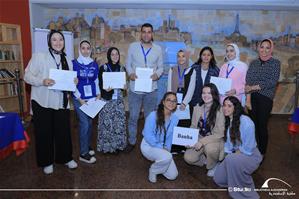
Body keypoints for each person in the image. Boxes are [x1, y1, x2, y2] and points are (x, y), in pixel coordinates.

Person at [24, 30, 77, 174]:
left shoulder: (67, 60)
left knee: (63, 131)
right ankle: (46, 162)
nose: (58, 42)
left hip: (60, 102)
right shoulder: (39, 57)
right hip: (42, 101)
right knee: (44, 132)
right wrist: (42, 81)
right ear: (49, 42)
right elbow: (27, 76)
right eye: (54, 39)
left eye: (61, 39)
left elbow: (70, 82)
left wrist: (74, 82)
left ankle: (65, 158)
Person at [213, 96, 263, 199]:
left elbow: (248, 149)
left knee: (231, 159)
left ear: (236, 108)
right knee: (218, 179)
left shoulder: (247, 122)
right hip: (236, 154)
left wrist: (230, 158)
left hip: (251, 155)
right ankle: (234, 178)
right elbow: (228, 146)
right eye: (224, 105)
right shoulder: (229, 120)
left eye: (229, 106)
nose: (225, 108)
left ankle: (245, 194)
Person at [125, 23, 163, 152]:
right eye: (144, 31)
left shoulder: (158, 49)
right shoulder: (133, 47)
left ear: (152, 34)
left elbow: (161, 67)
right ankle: (131, 141)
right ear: (141, 33)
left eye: (149, 32)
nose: (146, 34)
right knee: (133, 117)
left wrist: (156, 75)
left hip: (151, 89)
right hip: (135, 88)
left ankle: (147, 141)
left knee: (150, 117)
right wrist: (130, 73)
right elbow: (128, 64)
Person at [245, 39, 280, 155]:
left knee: (261, 125)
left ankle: (262, 152)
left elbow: (272, 82)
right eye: (262, 47)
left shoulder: (275, 63)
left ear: (271, 49)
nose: (264, 50)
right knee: (253, 125)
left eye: (267, 47)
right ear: (258, 48)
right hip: (252, 98)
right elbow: (248, 81)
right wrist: (248, 99)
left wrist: (253, 87)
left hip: (265, 98)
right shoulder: (253, 63)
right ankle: (253, 149)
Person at [184, 83, 225, 177]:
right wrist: (188, 139)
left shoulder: (220, 110)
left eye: (209, 93)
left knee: (210, 149)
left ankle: (213, 165)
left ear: (214, 95)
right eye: (204, 93)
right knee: (188, 158)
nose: (206, 95)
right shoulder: (197, 108)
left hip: (214, 140)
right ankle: (205, 158)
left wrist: (202, 142)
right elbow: (193, 126)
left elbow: (219, 134)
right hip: (199, 138)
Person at [140, 92, 179, 183]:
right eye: (168, 100)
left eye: (174, 101)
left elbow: (170, 137)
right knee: (167, 156)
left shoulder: (175, 119)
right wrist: (162, 149)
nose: (171, 103)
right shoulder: (153, 115)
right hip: (148, 145)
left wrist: (167, 149)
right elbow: (148, 135)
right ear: (163, 102)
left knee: (173, 175)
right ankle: (153, 170)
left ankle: (161, 162)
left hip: (162, 147)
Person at [72, 40, 100, 164]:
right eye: (83, 48)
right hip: (79, 98)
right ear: (79, 49)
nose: (85, 50)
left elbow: (96, 80)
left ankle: (87, 146)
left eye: (88, 48)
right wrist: (79, 98)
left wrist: (98, 93)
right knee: (84, 123)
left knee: (89, 122)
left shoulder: (94, 64)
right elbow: (71, 83)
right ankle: (83, 153)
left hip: (92, 98)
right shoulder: (74, 64)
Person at [97, 47, 127, 153]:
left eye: (117, 54)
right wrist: (105, 89)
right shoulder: (103, 68)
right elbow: (99, 84)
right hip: (107, 100)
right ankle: (106, 147)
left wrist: (124, 87)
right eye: (112, 54)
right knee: (107, 123)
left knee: (118, 123)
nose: (115, 56)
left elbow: (125, 86)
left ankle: (118, 146)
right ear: (109, 56)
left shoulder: (122, 68)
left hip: (118, 101)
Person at [167, 49, 194, 153]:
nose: (181, 58)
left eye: (183, 56)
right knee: (173, 123)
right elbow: (169, 87)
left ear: (186, 58)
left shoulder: (191, 70)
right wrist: (169, 101)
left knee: (184, 123)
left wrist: (184, 102)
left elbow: (191, 88)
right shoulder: (172, 69)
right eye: (179, 56)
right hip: (173, 100)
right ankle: (173, 147)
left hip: (185, 102)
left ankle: (182, 147)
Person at [190, 46, 219, 111]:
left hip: (209, 103)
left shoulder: (216, 70)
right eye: (204, 55)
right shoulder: (193, 68)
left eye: (208, 55)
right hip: (194, 101)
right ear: (200, 56)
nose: (206, 57)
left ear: (211, 56)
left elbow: (217, 88)